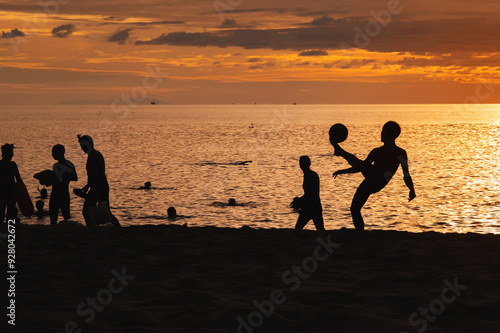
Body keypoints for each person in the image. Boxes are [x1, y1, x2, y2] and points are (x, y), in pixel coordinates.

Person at [331, 121, 416, 231]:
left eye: (382, 131)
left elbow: (361, 168)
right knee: (359, 162)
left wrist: (343, 171)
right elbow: (406, 175)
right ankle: (341, 151)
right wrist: (412, 190)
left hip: (372, 181)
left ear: (387, 134)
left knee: (354, 209)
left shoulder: (377, 152)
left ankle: (360, 233)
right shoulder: (401, 153)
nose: (380, 133)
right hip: (380, 181)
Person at [78, 135, 120, 227]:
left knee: (87, 211)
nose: (83, 148)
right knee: (106, 210)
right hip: (100, 186)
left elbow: (98, 174)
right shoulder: (96, 154)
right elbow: (94, 175)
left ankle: (91, 228)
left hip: (98, 187)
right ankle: (117, 227)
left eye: (84, 145)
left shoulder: (94, 156)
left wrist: (91, 188)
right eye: (81, 146)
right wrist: (87, 186)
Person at [290, 156, 325, 231]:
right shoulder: (307, 175)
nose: (301, 165)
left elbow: (311, 193)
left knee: (299, 228)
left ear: (308, 164)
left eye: (303, 163)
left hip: (312, 206)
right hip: (311, 206)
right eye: (301, 163)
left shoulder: (311, 175)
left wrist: (299, 200)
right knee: (320, 229)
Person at [50, 144, 77, 225]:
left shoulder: (67, 165)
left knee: (65, 217)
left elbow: (75, 178)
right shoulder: (58, 165)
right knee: (54, 216)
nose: (52, 154)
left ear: (60, 153)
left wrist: (64, 175)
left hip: (61, 193)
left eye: (54, 152)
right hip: (58, 192)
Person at [0, 144, 21, 223]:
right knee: (9, 215)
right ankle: (10, 234)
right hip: (7, 193)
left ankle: (6, 233)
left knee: (7, 215)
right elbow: (19, 180)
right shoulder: (12, 165)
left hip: (9, 193)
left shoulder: (12, 165)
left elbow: (19, 180)